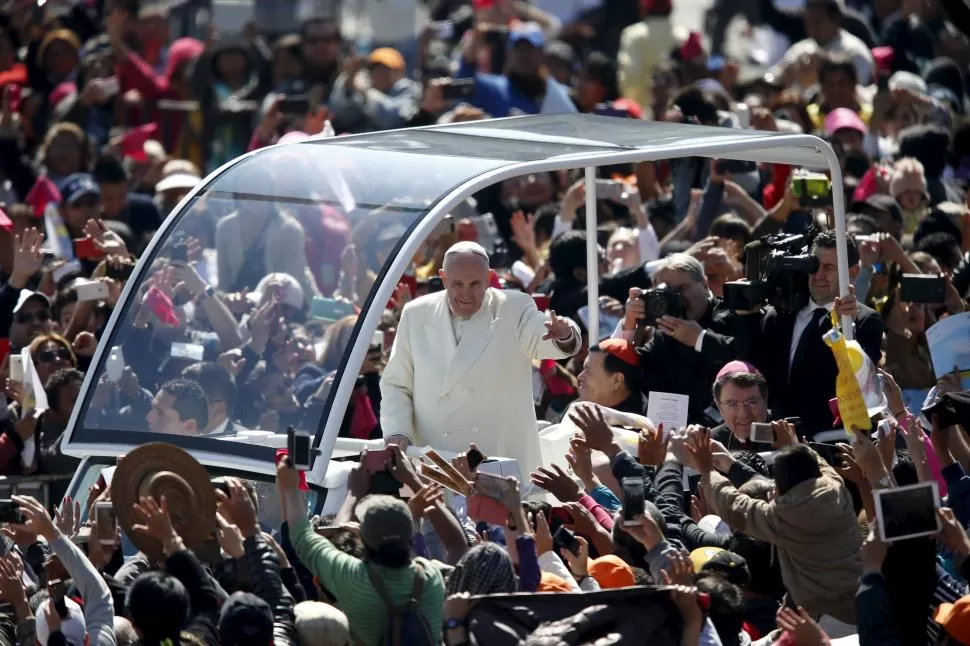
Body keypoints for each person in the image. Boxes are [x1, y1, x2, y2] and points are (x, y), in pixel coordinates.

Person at [381, 241, 580, 474]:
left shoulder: (514, 308)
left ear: (489, 278)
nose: (466, 293)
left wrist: (564, 334)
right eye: (457, 284)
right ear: (443, 278)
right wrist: (398, 431)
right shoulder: (415, 313)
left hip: (498, 464)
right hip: (435, 462)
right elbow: (396, 383)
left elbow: (544, 337)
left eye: (475, 284)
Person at [738, 230, 883, 437]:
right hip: (778, 436)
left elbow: (861, 382)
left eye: (829, 268)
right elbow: (750, 368)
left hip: (830, 439)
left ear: (853, 272)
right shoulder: (779, 315)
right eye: (813, 266)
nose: (818, 275)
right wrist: (747, 316)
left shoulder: (864, 321)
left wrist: (843, 328)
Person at [619, 253, 740, 424]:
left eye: (683, 288)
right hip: (673, 435)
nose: (678, 298)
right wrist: (630, 324)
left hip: (725, 432)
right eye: (669, 291)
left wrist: (700, 339)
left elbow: (748, 359)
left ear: (705, 285)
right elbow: (622, 370)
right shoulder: (665, 333)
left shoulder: (732, 317)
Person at [709, 361, 773, 452]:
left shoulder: (787, 438)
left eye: (751, 402)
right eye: (732, 404)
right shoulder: (711, 442)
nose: (743, 414)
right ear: (719, 406)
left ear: (765, 400)